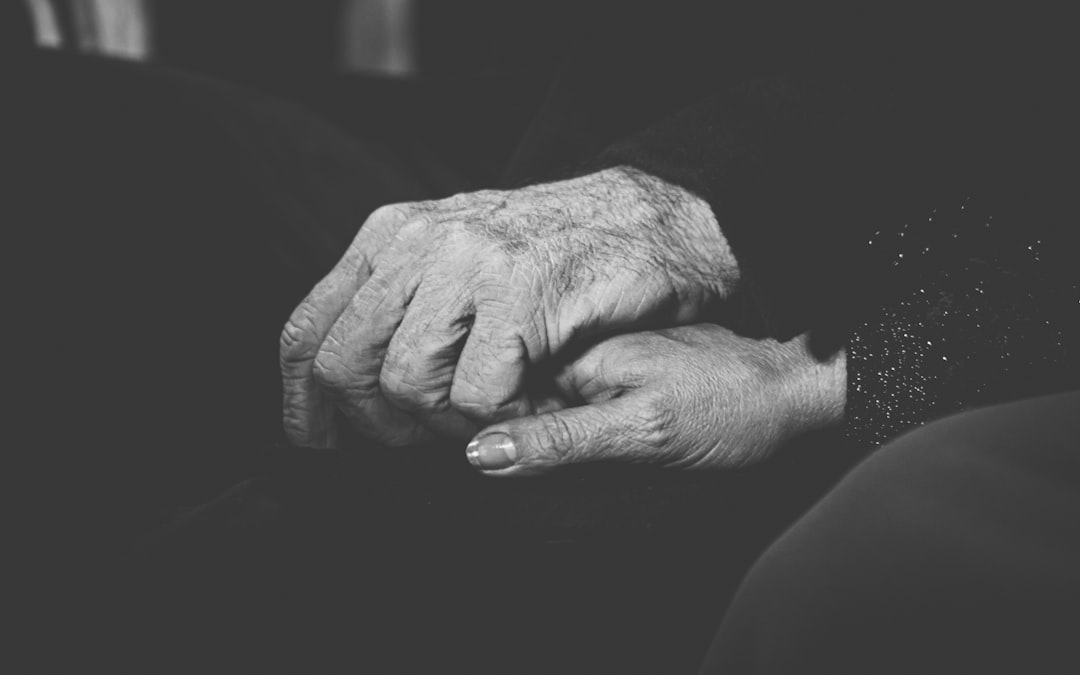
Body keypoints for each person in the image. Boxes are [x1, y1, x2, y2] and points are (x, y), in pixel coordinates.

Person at [6, 3, 1078, 673]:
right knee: (54, 130)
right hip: (553, 150)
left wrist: (833, 357)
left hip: (885, 289)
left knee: (269, 578)